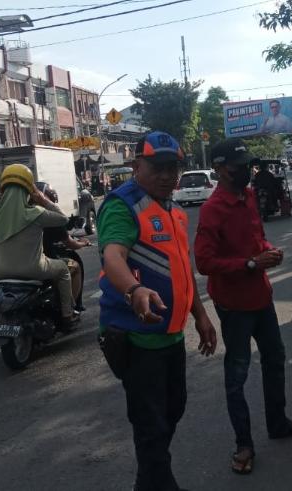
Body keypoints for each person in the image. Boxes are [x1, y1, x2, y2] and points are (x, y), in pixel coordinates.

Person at [96, 131, 217, 491]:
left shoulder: (174, 211)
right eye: (157, 167)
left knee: (172, 411)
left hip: (170, 336)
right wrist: (134, 290)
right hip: (136, 338)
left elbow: (181, 269)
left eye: (172, 168)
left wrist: (201, 315)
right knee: (151, 427)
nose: (167, 176)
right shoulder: (122, 205)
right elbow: (112, 255)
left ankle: (146, 483)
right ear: (136, 166)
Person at [194, 138, 292, 476]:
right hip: (233, 305)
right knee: (237, 375)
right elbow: (204, 262)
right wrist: (250, 264)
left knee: (275, 359)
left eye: (248, 164)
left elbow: (256, 239)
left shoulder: (248, 196)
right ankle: (243, 444)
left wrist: (268, 251)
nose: (247, 171)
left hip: (261, 296)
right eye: (239, 166)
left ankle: (278, 423)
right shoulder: (212, 209)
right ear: (220, 169)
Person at [0, 164, 78, 328]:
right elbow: (63, 219)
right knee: (64, 270)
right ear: (28, 190)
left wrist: (1, 198)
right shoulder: (35, 213)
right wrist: (43, 199)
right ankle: (67, 315)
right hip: (33, 269)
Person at [37, 182, 91, 312]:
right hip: (41, 262)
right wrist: (84, 243)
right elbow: (70, 243)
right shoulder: (49, 217)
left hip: (12, 266)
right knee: (75, 266)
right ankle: (69, 311)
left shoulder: (17, 216)